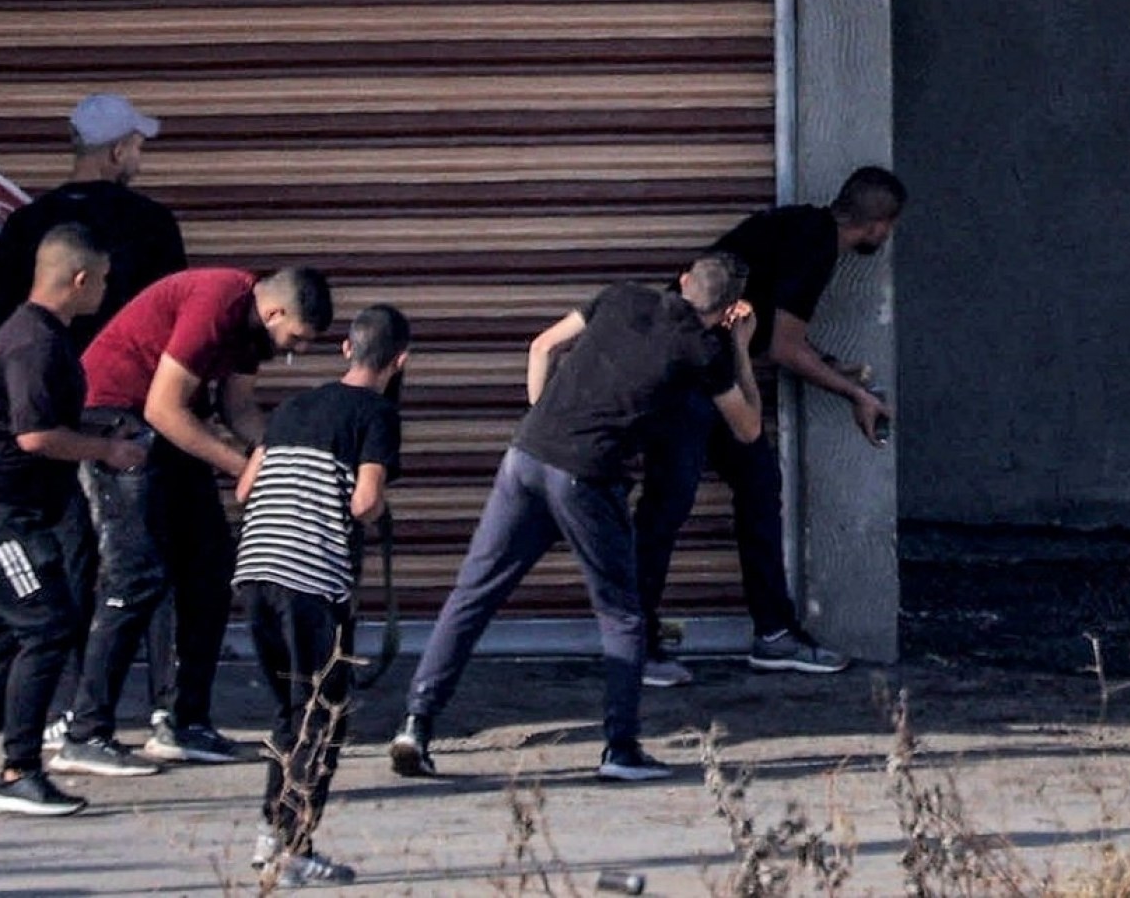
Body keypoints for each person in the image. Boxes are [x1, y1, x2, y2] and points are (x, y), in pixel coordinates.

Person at [389, 252, 759, 785]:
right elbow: (747, 430)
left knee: (475, 593)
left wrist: (544, 420)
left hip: (525, 458)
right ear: (727, 310)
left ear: (682, 282)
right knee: (623, 614)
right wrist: (741, 350)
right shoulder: (705, 349)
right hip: (586, 477)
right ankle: (620, 749)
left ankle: (415, 725)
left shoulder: (622, 294)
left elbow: (542, 345)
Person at [52, 265, 335, 777]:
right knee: (136, 577)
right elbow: (163, 408)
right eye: (294, 340)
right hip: (116, 421)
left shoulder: (251, 332)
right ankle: (85, 731)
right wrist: (242, 466)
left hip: (166, 427)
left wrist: (283, 455)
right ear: (273, 312)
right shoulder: (219, 302)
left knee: (208, 570)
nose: (294, 352)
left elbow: (238, 406)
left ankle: (184, 722)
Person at [633, 165, 906, 686]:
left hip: (715, 374)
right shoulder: (816, 248)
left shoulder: (802, 227)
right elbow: (783, 349)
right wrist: (854, 394)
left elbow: (782, 335)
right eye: (889, 228)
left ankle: (775, 634)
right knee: (667, 505)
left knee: (758, 488)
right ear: (880, 225)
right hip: (684, 374)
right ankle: (635, 644)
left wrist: (828, 362)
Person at [0, 228, 148, 819]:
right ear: (79, 280)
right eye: (100, 280)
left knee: (9, 640)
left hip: (2, 514)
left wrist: (102, 433)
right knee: (47, 628)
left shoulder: (43, 337)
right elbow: (35, 436)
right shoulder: (33, 343)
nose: (104, 290)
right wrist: (107, 452)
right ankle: (20, 770)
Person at [234, 304, 408, 889]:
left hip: (256, 572)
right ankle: (295, 851)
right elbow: (363, 502)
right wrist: (379, 512)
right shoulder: (377, 414)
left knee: (291, 713)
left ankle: (272, 836)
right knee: (324, 717)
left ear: (346, 350)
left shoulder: (292, 407)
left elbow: (244, 487)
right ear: (400, 360)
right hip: (311, 581)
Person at [0, 94, 187, 341]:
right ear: (118, 152)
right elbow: (173, 314)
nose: (138, 160)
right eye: (137, 148)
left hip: (44, 374)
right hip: (122, 375)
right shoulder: (151, 223)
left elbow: (0, 317)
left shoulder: (24, 223)